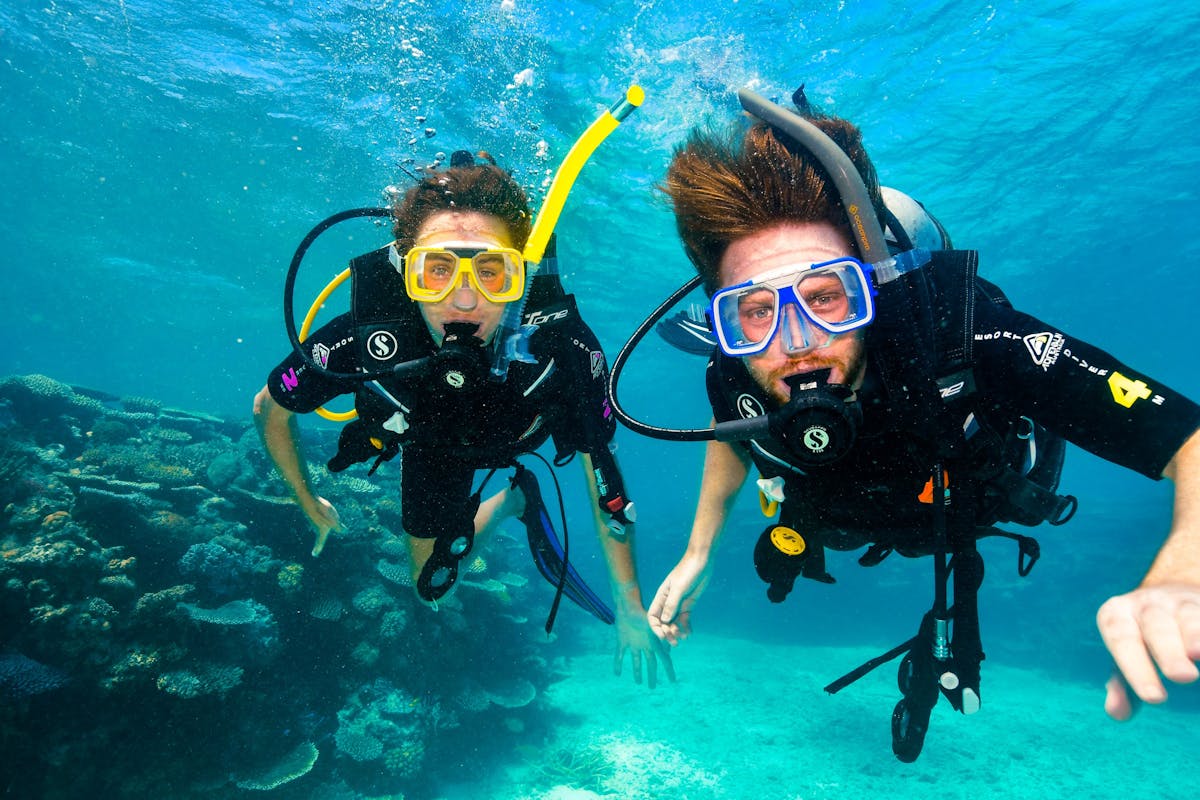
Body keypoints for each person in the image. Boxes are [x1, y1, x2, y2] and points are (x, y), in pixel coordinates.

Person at [619, 86, 1200, 754]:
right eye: (754, 310)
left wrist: (1187, 565)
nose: (798, 340)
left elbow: (1188, 435)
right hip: (834, 512)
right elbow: (734, 434)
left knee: (958, 553)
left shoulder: (969, 337)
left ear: (871, 284)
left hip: (963, 499)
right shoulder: (735, 367)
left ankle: (948, 633)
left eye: (826, 296)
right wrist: (700, 551)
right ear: (724, 317)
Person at [253, 151, 672, 688]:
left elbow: (604, 480)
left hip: (513, 436)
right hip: (430, 445)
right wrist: (307, 502)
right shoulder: (364, 335)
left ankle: (515, 489)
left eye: (493, 271)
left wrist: (631, 608)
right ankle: (513, 502)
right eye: (438, 270)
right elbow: (270, 406)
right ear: (407, 271)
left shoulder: (562, 347)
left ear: (521, 275)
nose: (466, 298)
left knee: (433, 589)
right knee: (431, 591)